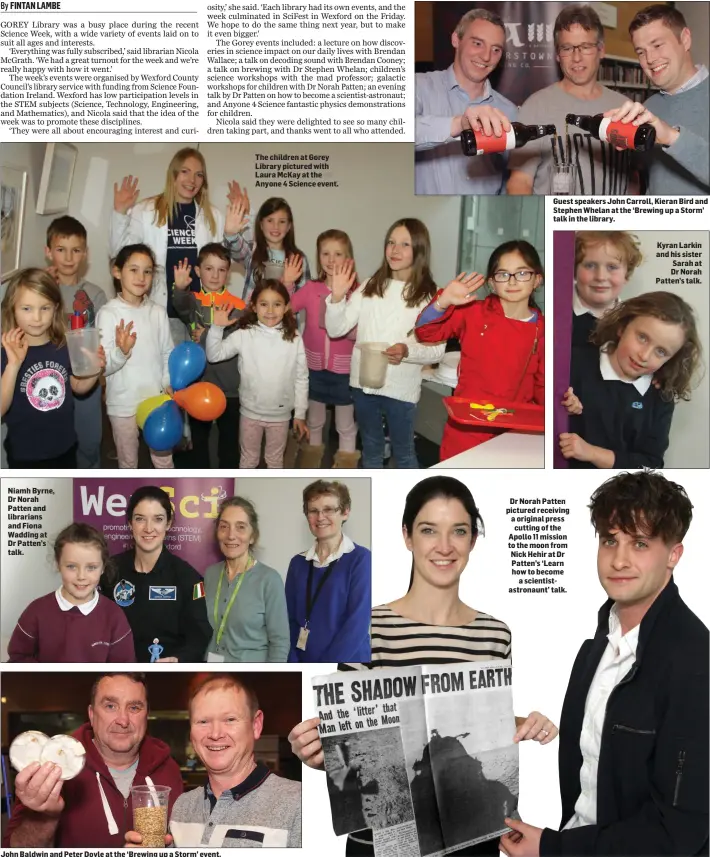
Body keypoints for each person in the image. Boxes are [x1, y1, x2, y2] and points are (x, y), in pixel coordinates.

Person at [289, 476, 559, 856]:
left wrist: (523, 724)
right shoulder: (368, 626)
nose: (445, 547)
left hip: (470, 839)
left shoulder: (495, 634)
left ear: (472, 541)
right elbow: (350, 756)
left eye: (459, 531)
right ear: (407, 536)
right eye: (429, 530)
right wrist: (318, 754)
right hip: (384, 843)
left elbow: (480, 728)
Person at [500, 470, 709, 857]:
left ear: (674, 555)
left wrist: (553, 848)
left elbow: (679, 832)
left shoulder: (696, 662)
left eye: (641, 543)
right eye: (610, 540)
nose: (619, 559)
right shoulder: (596, 648)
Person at [3, 673, 184, 848]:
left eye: (134, 708)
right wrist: (43, 817)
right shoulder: (56, 767)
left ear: (146, 715)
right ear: (91, 714)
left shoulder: (168, 769)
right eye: (110, 706)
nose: (123, 720)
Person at [325, 219, 445, 468]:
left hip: (401, 390)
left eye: (404, 244)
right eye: (391, 242)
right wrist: (336, 297)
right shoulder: (370, 286)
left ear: (420, 249)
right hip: (363, 387)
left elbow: (437, 349)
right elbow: (336, 329)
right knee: (370, 448)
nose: (395, 249)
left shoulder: (431, 297)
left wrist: (406, 351)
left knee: (403, 453)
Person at [127, 676, 301, 848]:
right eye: (203, 721)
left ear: (255, 725)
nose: (215, 734)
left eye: (230, 720)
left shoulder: (298, 803)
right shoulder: (183, 805)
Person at [415, 240, 544, 461]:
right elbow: (425, 332)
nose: (512, 281)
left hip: (514, 433)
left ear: (537, 280)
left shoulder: (543, 330)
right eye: (503, 274)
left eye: (522, 273)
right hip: (466, 429)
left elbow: (543, 388)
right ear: (492, 283)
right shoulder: (473, 313)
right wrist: (443, 301)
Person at [110, 148, 240, 343]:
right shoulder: (146, 211)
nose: (192, 180)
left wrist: (232, 233)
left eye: (199, 175)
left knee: (201, 370)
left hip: (201, 314)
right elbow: (120, 255)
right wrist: (119, 213)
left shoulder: (213, 216)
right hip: (162, 308)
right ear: (174, 174)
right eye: (185, 171)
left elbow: (222, 263)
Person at [560, 291, 702, 468]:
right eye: (642, 338)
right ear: (622, 327)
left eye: (661, 352)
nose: (644, 355)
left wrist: (591, 453)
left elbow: (651, 464)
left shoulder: (660, 396)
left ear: (671, 359)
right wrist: (561, 404)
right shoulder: (571, 361)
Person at [507, 5, 632, 195]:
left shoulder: (624, 108)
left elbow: (634, 178)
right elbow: (519, 182)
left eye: (585, 47)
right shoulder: (536, 106)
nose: (576, 58)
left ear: (601, 50)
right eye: (567, 48)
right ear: (558, 55)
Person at [0, 268, 105, 468]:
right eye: (27, 309)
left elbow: (78, 387)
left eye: (45, 308)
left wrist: (95, 369)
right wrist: (13, 364)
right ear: (12, 309)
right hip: (25, 455)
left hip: (65, 448)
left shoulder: (64, 345)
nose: (37, 318)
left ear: (56, 308)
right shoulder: (6, 352)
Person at [603, 5, 709, 195]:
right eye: (641, 52)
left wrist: (670, 137)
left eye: (657, 45)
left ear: (685, 39)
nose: (650, 59)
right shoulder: (648, 108)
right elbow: (641, 178)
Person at [100, 485, 212, 662]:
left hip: (166, 677)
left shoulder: (188, 578)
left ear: (168, 523)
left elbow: (199, 637)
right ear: (130, 523)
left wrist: (178, 659)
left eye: (157, 519)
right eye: (140, 519)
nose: (148, 528)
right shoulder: (110, 571)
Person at [205, 279, 309, 468]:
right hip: (250, 414)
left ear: (286, 307)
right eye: (263, 304)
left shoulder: (294, 338)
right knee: (248, 460)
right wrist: (217, 327)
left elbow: (301, 378)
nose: (270, 311)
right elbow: (214, 355)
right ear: (253, 307)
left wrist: (300, 414)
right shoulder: (245, 334)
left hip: (281, 415)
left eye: (277, 304)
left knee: (275, 461)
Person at [415, 8, 517, 195]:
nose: (486, 57)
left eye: (496, 49)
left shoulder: (509, 112)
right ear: (456, 39)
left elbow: (509, 180)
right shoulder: (418, 87)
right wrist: (459, 124)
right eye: (477, 43)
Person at [7, 523, 134, 663]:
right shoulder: (36, 611)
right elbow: (17, 659)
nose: (81, 576)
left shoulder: (114, 616)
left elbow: (124, 671)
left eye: (91, 567)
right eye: (71, 566)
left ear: (103, 567)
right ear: (57, 564)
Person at [96, 244, 174, 469]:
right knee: (128, 462)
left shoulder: (158, 312)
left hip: (156, 400)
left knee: (164, 460)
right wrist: (122, 352)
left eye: (147, 271)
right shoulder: (108, 313)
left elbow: (167, 351)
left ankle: (169, 500)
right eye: (133, 270)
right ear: (117, 272)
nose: (141, 277)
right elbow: (103, 367)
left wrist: (168, 381)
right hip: (122, 402)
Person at [290, 229, 359, 469]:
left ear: (348, 258)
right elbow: (285, 308)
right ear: (318, 257)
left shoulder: (357, 293)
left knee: (345, 425)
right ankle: (311, 467)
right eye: (325, 253)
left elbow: (364, 330)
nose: (331, 259)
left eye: (338, 254)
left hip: (345, 372)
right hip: (314, 368)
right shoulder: (310, 288)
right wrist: (287, 282)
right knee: (315, 421)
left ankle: (347, 470)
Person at [172, 243, 246, 469]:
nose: (215, 275)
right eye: (209, 268)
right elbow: (180, 304)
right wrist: (180, 288)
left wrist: (206, 335)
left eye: (221, 270)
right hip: (199, 385)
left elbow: (235, 340)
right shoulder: (193, 300)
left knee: (230, 443)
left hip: (229, 386)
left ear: (228, 272)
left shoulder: (238, 306)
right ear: (197, 271)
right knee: (200, 441)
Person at [44, 215, 107, 469]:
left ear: (85, 254)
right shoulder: (41, 289)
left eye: (76, 250)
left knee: (89, 444)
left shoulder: (95, 294)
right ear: (48, 252)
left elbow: (103, 340)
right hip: (50, 380)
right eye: (61, 250)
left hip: (87, 382)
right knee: (52, 446)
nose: (68, 258)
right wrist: (44, 288)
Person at [285, 480, 371, 663]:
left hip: (347, 669)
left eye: (329, 509)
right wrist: (294, 663)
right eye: (313, 511)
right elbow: (288, 621)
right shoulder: (297, 563)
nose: (320, 517)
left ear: (345, 512)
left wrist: (325, 670)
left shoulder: (361, 559)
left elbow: (357, 625)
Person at [204, 496, 289, 662]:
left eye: (240, 527)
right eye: (224, 527)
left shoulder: (269, 580)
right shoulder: (210, 574)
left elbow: (280, 643)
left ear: (252, 536)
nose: (231, 535)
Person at [224, 196, 310, 301]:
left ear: (289, 226)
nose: (276, 226)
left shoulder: (298, 259)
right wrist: (231, 234)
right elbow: (236, 250)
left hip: (286, 316)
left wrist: (288, 283)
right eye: (270, 220)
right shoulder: (252, 251)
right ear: (261, 224)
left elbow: (304, 299)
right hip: (252, 317)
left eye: (282, 222)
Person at [572, 232, 642, 347]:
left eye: (612, 267)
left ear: (626, 274)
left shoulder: (633, 322)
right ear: (574, 271)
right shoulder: (554, 314)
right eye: (590, 265)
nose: (600, 277)